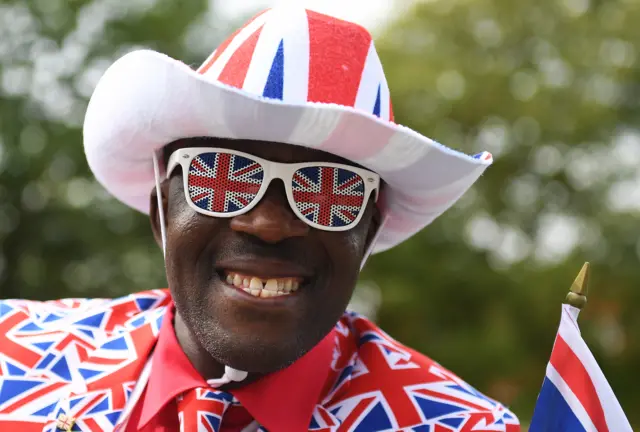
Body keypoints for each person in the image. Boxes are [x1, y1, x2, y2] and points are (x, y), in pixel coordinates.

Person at [0, 7, 520, 432]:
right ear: (162, 213)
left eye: (327, 191)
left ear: (368, 234)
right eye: (223, 177)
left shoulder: (456, 425)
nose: (270, 224)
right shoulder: (13, 358)